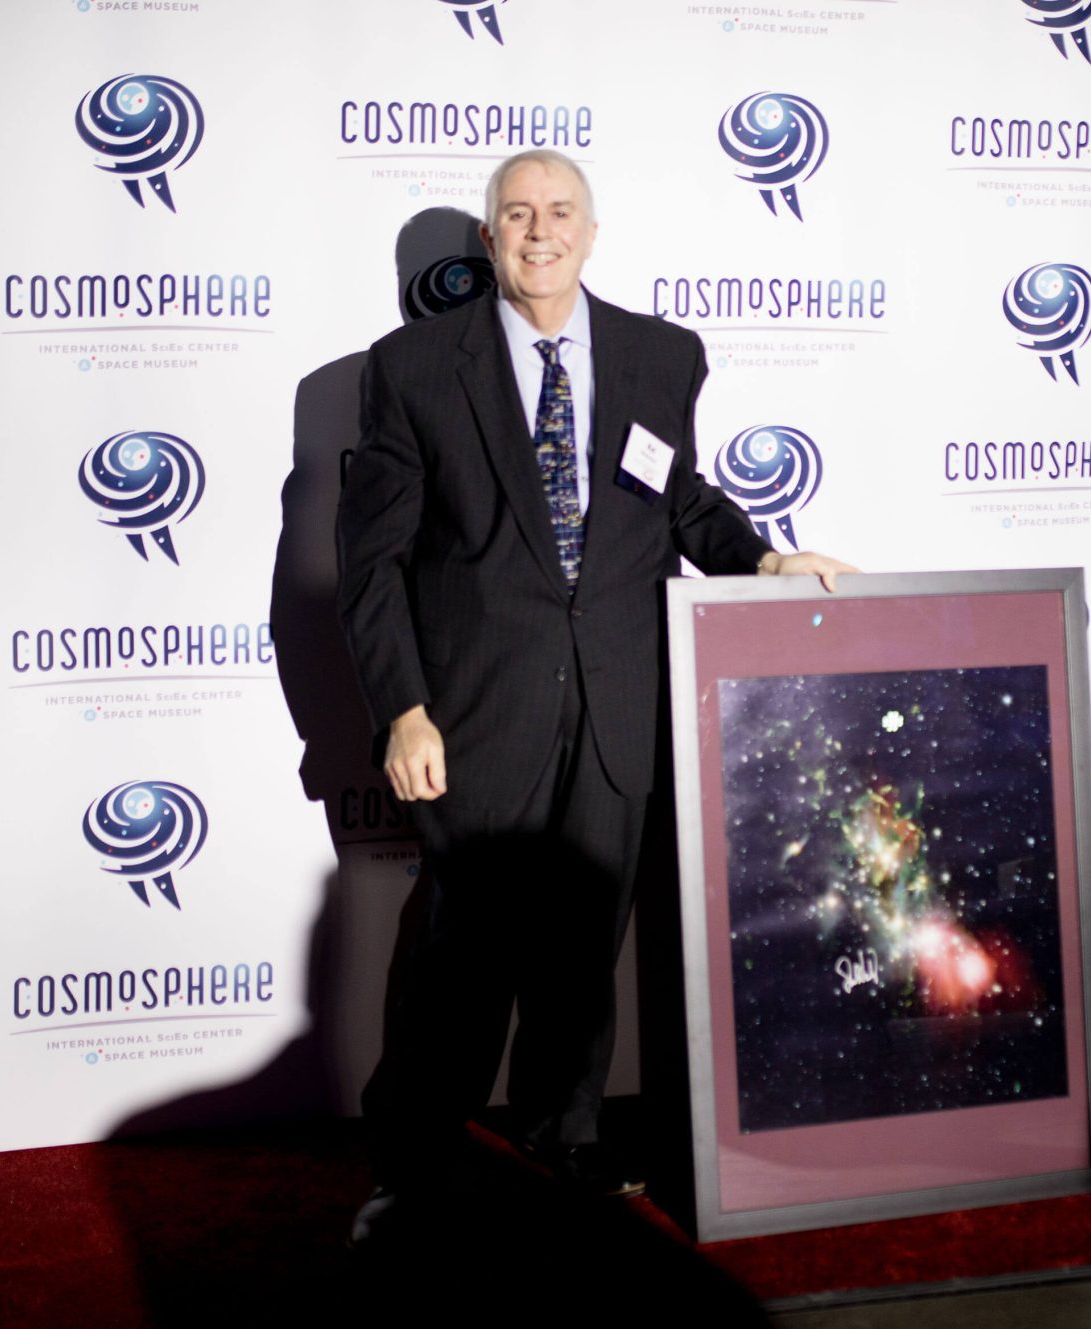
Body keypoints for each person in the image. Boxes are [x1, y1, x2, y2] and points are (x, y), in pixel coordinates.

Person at [335, 148, 853, 1241]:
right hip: (475, 709)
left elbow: (676, 500)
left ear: (591, 231)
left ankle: (561, 1128)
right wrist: (404, 709)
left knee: (582, 942)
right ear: (489, 240)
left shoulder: (660, 355)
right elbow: (372, 565)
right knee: (461, 954)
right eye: (518, 215)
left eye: (559, 211)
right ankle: (415, 1155)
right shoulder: (413, 367)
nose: (540, 231)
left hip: (620, 701)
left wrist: (763, 560)